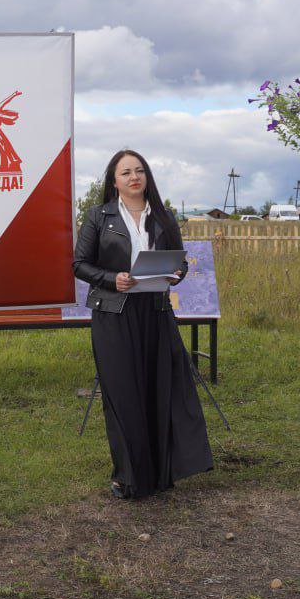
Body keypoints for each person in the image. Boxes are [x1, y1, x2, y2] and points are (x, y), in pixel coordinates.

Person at [73, 149, 213, 499]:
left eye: (139, 171)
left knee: (159, 390)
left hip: (156, 312)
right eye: (126, 172)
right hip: (114, 315)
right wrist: (112, 279)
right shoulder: (98, 216)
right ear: (114, 180)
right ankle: (129, 477)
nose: (134, 177)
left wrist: (175, 274)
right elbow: (79, 264)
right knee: (123, 395)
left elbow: (180, 264)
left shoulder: (163, 217)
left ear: (147, 176)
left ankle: (162, 473)